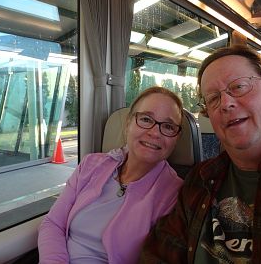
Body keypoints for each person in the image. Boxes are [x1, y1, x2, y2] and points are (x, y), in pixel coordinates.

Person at [139, 44, 261, 263]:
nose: (226, 104)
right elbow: (159, 253)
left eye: (238, 87)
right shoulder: (200, 179)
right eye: (213, 98)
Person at [38, 86, 184, 264]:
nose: (154, 133)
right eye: (146, 119)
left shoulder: (175, 194)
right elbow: (53, 224)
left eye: (168, 127)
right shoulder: (90, 165)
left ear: (176, 139)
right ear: (128, 123)